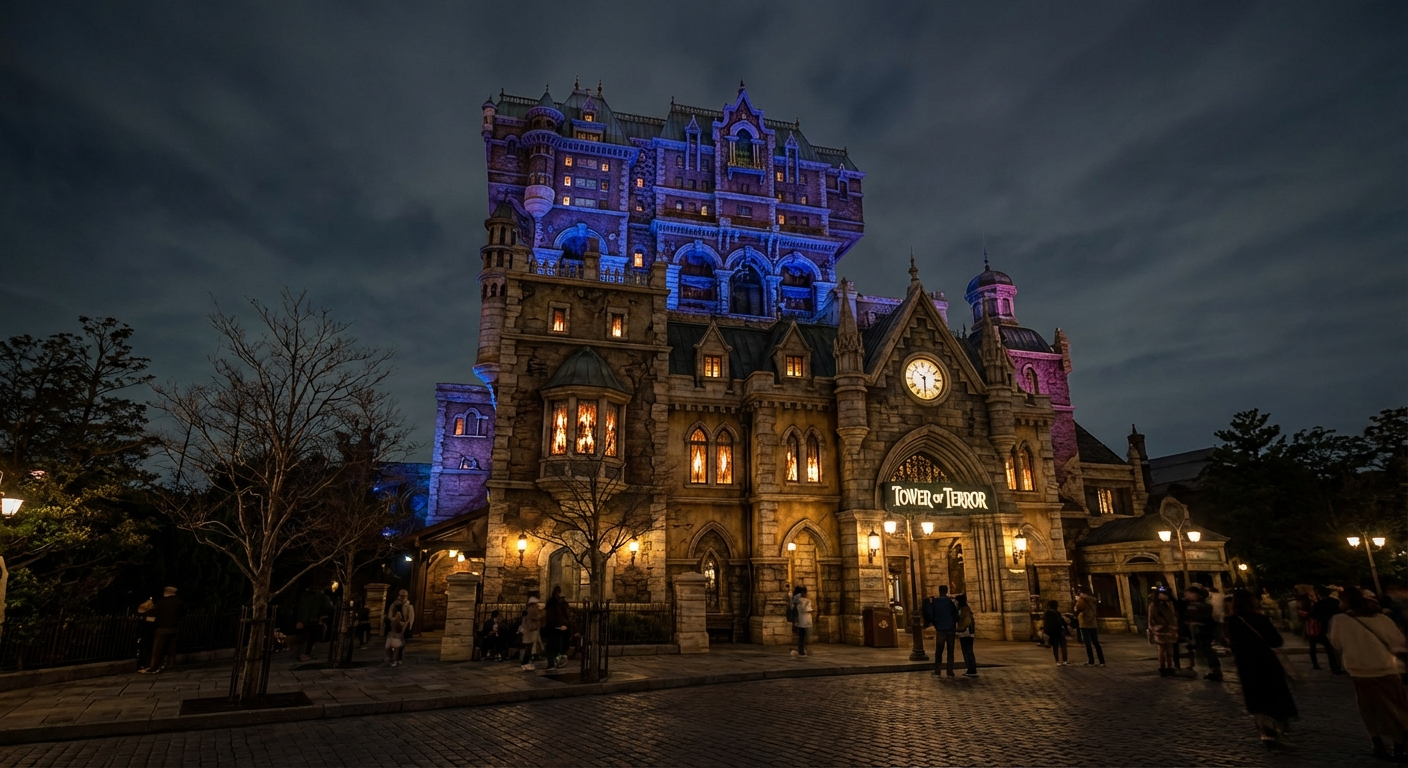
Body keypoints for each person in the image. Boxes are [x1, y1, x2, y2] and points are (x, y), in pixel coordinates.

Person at [1328, 588, 1408, 762]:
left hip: (1359, 671)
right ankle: (1399, 745)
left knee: (1369, 708)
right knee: (1395, 707)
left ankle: (1377, 743)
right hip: (1385, 668)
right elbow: (1398, 642)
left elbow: (1335, 642)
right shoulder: (1382, 620)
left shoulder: (1339, 621)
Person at [1228, 588, 1298, 749]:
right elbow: (1275, 641)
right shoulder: (1260, 619)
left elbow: (1234, 646)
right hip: (1266, 661)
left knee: (1256, 695)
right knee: (1274, 693)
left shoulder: (1232, 621)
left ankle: (1266, 730)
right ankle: (1280, 727)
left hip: (1246, 664)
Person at [1183, 586, 1223, 681]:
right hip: (1200, 630)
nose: (1186, 595)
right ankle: (1212, 669)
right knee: (1204, 649)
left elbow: (1201, 618)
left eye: (1189, 593)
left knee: (1207, 649)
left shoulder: (1200, 605)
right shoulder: (1198, 604)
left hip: (1202, 630)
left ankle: (1215, 670)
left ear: (1196, 594)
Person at [140, 587, 184, 673]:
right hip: (174, 628)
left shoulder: (161, 603)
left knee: (157, 649)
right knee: (171, 648)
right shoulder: (179, 602)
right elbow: (181, 614)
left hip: (162, 628)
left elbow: (154, 613)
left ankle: (154, 667)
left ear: (166, 593)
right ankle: (170, 664)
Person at [1310, 587, 1346, 674]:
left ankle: (1335, 667)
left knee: (1330, 649)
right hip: (1338, 625)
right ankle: (1343, 666)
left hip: (1325, 627)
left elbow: (1314, 616)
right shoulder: (1336, 602)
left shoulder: (1319, 604)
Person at [926, 585, 959, 677]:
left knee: (939, 650)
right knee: (950, 651)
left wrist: (936, 624)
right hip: (950, 629)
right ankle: (950, 672)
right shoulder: (950, 602)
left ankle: (937, 671)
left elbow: (931, 614)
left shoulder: (936, 602)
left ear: (939, 591)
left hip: (940, 629)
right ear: (947, 591)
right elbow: (956, 615)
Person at [295, 584, 333, 661]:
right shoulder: (319, 596)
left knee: (307, 637)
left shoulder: (305, 596)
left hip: (307, 619)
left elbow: (301, 608)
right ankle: (306, 654)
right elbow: (326, 606)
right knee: (311, 637)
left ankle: (305, 653)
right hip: (313, 619)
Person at [1148, 587, 1179, 677]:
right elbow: (1151, 618)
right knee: (1162, 650)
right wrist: (1154, 627)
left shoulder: (1169, 604)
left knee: (1170, 650)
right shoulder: (1153, 605)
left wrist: (1174, 626)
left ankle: (1170, 666)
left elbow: (1173, 616)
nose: (1165, 596)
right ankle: (1162, 667)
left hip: (1170, 629)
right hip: (1160, 629)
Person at [384, 589, 416, 664]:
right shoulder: (394, 604)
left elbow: (411, 617)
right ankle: (391, 657)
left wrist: (408, 626)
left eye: (405, 595)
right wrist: (394, 620)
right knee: (391, 643)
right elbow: (390, 615)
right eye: (402, 595)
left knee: (401, 644)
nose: (403, 597)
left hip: (403, 627)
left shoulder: (409, 606)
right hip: (394, 626)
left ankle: (398, 658)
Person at [1074, 588, 1104, 666]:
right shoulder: (1093, 600)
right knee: (1096, 642)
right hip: (1093, 623)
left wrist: (1076, 606)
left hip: (1085, 623)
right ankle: (1102, 661)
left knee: (1087, 643)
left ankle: (1091, 661)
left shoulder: (1082, 600)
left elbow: (1077, 608)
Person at [544, 586, 572, 669]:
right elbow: (558, 615)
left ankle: (553, 663)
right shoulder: (555, 603)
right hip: (555, 626)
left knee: (553, 645)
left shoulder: (556, 603)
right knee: (552, 645)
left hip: (555, 626)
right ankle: (552, 663)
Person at [518, 592, 543, 671]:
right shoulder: (532, 609)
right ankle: (525, 663)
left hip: (529, 631)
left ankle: (526, 663)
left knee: (530, 648)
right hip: (530, 632)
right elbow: (537, 617)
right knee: (529, 649)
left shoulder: (529, 609)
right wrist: (543, 613)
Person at [955, 593, 978, 677]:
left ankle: (970, 669)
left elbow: (967, 620)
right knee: (969, 651)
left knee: (967, 651)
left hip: (966, 633)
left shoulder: (963, 609)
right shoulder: (966, 608)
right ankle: (971, 668)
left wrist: (961, 628)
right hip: (968, 633)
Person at [1041, 600, 1069, 665]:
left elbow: (1046, 623)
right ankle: (1065, 661)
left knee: (1055, 647)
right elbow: (1062, 621)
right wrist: (1066, 629)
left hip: (1052, 631)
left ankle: (1057, 661)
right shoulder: (1057, 613)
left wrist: (1046, 631)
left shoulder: (1047, 613)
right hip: (1059, 630)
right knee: (1063, 645)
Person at [790, 585, 813, 658]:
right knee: (802, 636)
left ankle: (801, 649)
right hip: (803, 620)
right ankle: (801, 650)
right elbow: (804, 609)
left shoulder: (796, 599)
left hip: (799, 620)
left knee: (802, 635)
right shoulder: (802, 600)